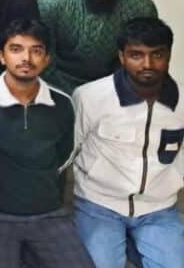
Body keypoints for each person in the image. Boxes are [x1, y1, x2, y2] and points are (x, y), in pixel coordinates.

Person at [0, 19, 93, 267]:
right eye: (16, 49)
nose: (26, 58)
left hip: (48, 213)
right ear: (2, 57)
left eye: (36, 51)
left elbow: (64, 155)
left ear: (46, 59)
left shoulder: (62, 104)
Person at [72, 17, 184, 267]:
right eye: (136, 55)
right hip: (99, 205)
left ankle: (137, 244)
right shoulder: (90, 96)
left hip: (159, 209)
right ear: (122, 57)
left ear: (169, 55)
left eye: (157, 55)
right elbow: (69, 151)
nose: (148, 64)